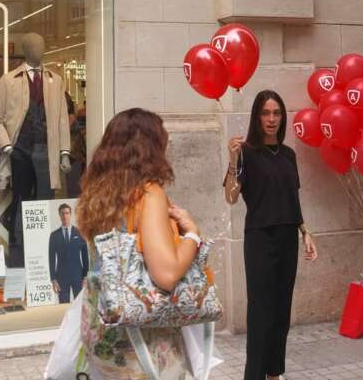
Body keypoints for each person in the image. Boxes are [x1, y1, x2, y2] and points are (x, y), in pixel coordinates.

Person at [77, 108, 202, 380]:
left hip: (101, 326)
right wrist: (192, 234)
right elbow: (166, 274)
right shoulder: (148, 194)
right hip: (139, 335)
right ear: (151, 147)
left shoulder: (96, 192)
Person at [224, 90, 318, 380]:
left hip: (288, 237)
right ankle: (253, 376)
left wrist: (305, 231)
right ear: (256, 116)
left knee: (281, 311)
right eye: (265, 113)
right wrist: (232, 158)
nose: (271, 119)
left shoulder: (288, 155)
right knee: (260, 312)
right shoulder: (247, 153)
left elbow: (292, 198)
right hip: (260, 239)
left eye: (276, 113)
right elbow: (230, 197)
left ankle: (274, 373)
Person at [48, 203, 89, 303]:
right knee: (64, 307)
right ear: (59, 215)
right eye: (62, 213)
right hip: (61, 277)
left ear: (70, 215)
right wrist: (53, 279)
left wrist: (85, 276)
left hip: (77, 276)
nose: (65, 216)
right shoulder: (54, 235)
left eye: (67, 213)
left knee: (80, 306)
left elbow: (85, 256)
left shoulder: (79, 233)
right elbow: (51, 258)